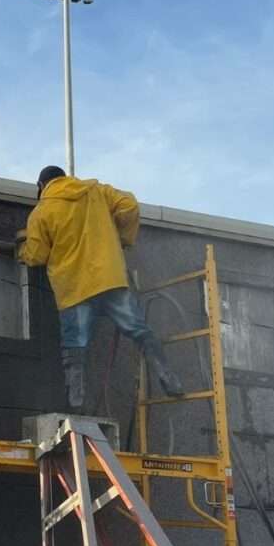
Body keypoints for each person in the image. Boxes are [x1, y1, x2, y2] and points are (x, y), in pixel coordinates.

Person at [17, 165, 184, 413]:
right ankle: (168, 376)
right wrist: (123, 238)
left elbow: (37, 255)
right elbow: (129, 206)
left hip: (75, 289)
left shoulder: (42, 212)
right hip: (110, 279)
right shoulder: (95, 191)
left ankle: (76, 403)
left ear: (41, 187)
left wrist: (22, 251)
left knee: (76, 346)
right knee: (139, 329)